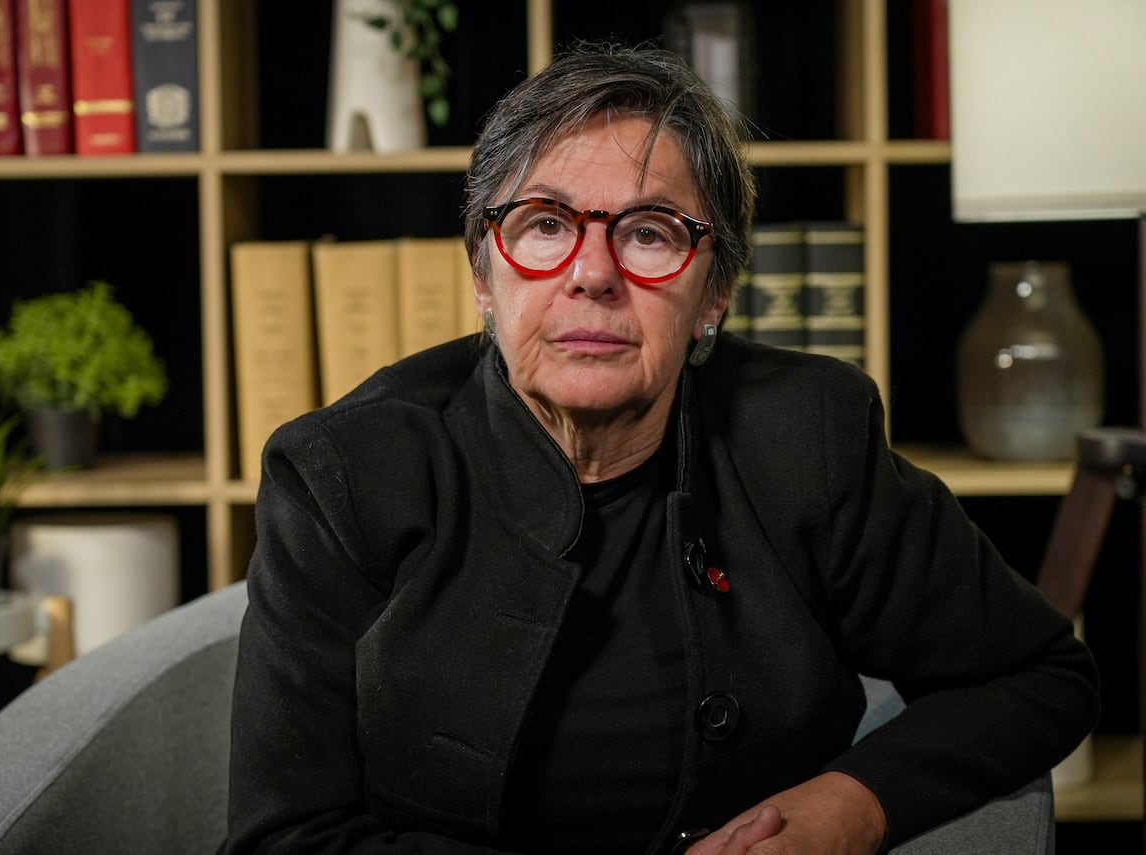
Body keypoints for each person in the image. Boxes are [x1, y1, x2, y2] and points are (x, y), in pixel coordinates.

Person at [220, 44, 1098, 854]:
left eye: (649, 232)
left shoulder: (810, 436)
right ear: (484, 274)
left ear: (714, 293)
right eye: (545, 224)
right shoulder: (345, 473)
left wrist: (853, 804)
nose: (593, 273)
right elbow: (284, 837)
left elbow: (1039, 674)